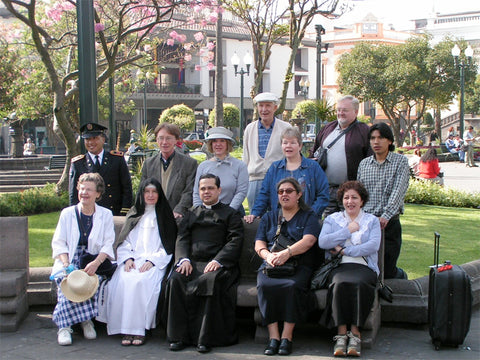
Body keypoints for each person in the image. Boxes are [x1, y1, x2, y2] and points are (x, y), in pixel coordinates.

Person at [165, 174, 244, 353]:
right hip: (192, 263)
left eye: (210, 188)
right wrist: (183, 259)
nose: (206, 192)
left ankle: (205, 339)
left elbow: (235, 240)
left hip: (220, 265)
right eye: (203, 189)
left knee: (209, 280)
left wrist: (218, 260)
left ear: (219, 190)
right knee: (176, 279)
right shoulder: (191, 213)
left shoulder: (231, 214)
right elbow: (182, 238)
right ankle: (179, 337)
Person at [104, 178, 177, 346]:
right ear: (141, 194)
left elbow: (168, 247)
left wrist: (152, 261)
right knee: (123, 279)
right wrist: (127, 258)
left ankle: (139, 330)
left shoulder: (165, 216)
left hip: (154, 261)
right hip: (133, 259)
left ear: (159, 194)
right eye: (147, 192)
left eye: (154, 192)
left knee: (141, 281)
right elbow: (125, 242)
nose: (150, 195)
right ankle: (125, 328)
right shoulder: (134, 214)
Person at [255, 177, 321, 356]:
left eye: (289, 191)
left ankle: (286, 337)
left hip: (299, 266)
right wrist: (267, 255)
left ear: (299, 194)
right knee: (264, 285)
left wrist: (287, 253)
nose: (284, 194)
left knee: (292, 286)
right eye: (281, 191)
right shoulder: (269, 217)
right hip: (271, 265)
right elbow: (259, 242)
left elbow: (309, 241)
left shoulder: (309, 216)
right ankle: (273, 337)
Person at [318, 181, 381, 357]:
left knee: (359, 282)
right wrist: (347, 231)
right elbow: (323, 242)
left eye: (354, 197)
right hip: (339, 266)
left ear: (362, 201)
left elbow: (372, 246)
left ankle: (355, 333)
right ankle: (341, 333)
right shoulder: (332, 219)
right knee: (339, 282)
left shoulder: (372, 221)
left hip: (364, 266)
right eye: (346, 197)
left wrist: (344, 249)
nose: (350, 201)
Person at [51, 173, 115, 346]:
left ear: (98, 194)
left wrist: (95, 264)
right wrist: (66, 264)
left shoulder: (106, 215)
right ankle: (64, 327)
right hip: (69, 259)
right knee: (67, 281)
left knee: (89, 281)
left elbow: (108, 245)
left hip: (94, 260)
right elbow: (59, 243)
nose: (84, 192)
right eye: (82, 188)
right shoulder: (67, 214)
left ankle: (86, 320)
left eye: (89, 189)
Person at [357, 123, 409, 280]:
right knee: (367, 268)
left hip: (389, 223)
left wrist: (386, 215)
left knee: (387, 267)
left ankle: (401, 279)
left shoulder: (400, 162)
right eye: (372, 138)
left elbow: (398, 192)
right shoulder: (364, 164)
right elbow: (359, 194)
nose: (376, 142)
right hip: (367, 223)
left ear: (390, 141)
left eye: (381, 138)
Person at [245, 128, 329, 223]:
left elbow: (323, 195)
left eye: (293, 143)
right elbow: (264, 194)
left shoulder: (313, 167)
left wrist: (310, 215)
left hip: (306, 222)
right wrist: (255, 213)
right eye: (285, 143)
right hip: (280, 221)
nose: (288, 146)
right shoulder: (275, 168)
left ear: (300, 146)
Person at [309, 95, 371, 217]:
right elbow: (314, 151)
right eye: (339, 110)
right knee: (328, 226)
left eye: (345, 110)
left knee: (350, 227)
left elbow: (370, 160)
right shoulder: (328, 128)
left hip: (350, 193)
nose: (341, 113)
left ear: (356, 112)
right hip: (327, 189)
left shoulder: (364, 131)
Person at [69, 123, 132, 216]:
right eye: (87, 139)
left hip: (114, 213)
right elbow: (73, 194)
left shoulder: (116, 159)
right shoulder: (78, 163)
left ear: (103, 139)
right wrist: (76, 215)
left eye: (94, 138)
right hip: (88, 214)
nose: (91, 142)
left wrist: (124, 211)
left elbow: (127, 188)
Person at [243, 92, 292, 210]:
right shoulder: (250, 128)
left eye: (268, 105)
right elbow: (246, 156)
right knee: (256, 218)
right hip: (255, 180)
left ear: (275, 108)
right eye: (261, 106)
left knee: (278, 217)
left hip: (279, 180)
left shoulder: (286, 128)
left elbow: (291, 155)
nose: (264, 109)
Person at [141, 123, 198, 219]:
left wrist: (178, 210)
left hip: (178, 218)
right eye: (161, 138)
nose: (164, 142)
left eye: (168, 138)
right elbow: (143, 190)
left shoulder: (189, 164)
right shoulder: (148, 164)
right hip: (153, 215)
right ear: (156, 140)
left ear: (176, 140)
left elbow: (189, 191)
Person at [193, 126, 248, 213]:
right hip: (207, 213)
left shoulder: (240, 166)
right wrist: (199, 212)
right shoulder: (203, 166)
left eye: (222, 141)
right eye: (215, 141)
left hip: (233, 212)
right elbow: (196, 192)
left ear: (228, 144)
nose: (218, 144)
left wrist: (228, 212)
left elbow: (241, 192)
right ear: (211, 144)